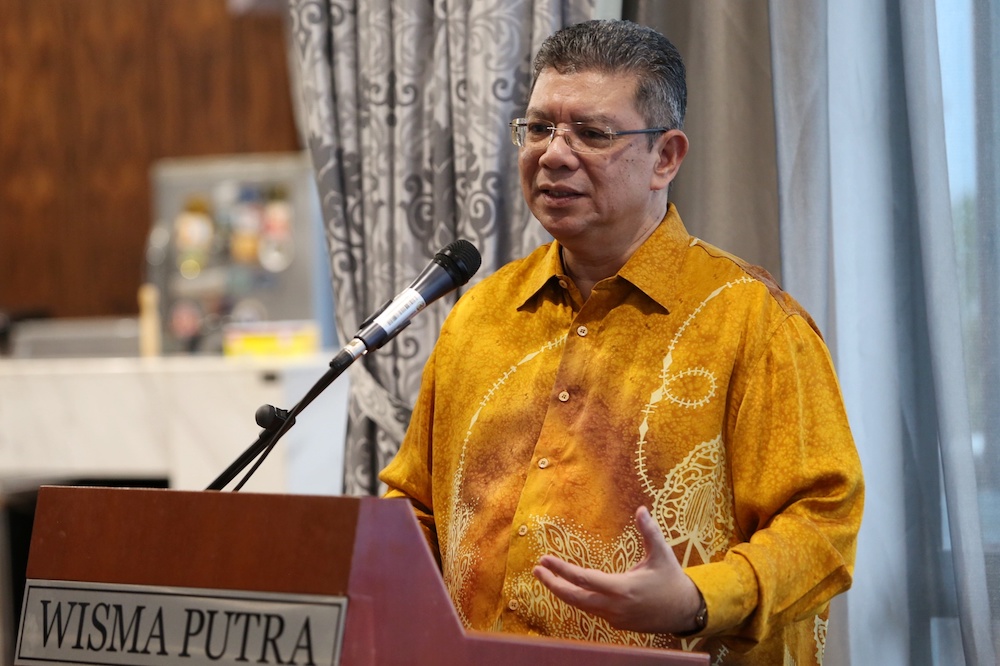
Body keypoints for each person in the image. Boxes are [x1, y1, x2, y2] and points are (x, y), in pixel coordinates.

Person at [380, 18, 864, 665]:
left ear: (665, 157)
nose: (554, 153)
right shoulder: (481, 313)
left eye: (592, 133)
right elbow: (416, 505)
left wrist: (696, 596)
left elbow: (824, 519)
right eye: (539, 128)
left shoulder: (753, 321)